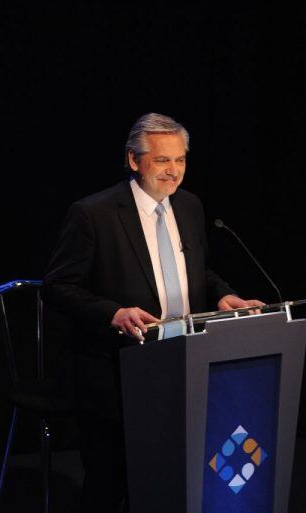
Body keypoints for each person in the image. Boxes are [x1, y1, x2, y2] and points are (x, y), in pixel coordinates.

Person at [42, 113, 263, 513]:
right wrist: (112, 313)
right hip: (118, 368)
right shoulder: (94, 214)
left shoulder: (190, 206)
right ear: (133, 160)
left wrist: (224, 296)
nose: (173, 171)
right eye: (163, 160)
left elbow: (198, 270)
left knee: (175, 477)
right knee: (110, 485)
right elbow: (57, 288)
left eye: (180, 160)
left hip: (184, 363)